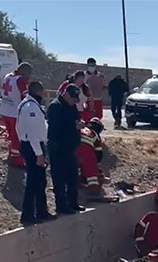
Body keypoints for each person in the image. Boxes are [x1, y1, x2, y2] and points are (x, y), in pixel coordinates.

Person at [16, 81, 55, 225]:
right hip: (33, 147)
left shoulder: (28, 104)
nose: (44, 94)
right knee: (33, 183)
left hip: (33, 146)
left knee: (40, 182)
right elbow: (32, 133)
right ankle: (28, 216)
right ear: (38, 91)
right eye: (42, 91)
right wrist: (39, 154)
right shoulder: (30, 107)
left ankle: (41, 212)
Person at [47, 84, 85, 215]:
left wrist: (79, 125)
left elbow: (75, 120)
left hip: (70, 148)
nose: (75, 101)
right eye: (73, 98)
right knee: (59, 179)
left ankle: (73, 203)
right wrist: (73, 126)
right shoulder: (55, 107)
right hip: (58, 148)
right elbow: (56, 128)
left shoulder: (72, 107)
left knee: (72, 177)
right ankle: (61, 206)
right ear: (66, 94)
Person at [1, 62, 32, 167]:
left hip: (5, 110)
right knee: (17, 137)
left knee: (11, 135)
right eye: (29, 73)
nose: (29, 76)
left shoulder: (7, 76)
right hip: (15, 112)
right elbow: (26, 96)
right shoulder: (20, 80)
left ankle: (11, 154)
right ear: (25, 71)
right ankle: (17, 160)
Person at [76, 117, 106, 197]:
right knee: (91, 173)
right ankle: (94, 192)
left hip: (73, 150)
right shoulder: (95, 135)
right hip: (87, 152)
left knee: (76, 168)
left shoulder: (81, 129)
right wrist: (95, 164)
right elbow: (99, 153)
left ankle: (76, 185)